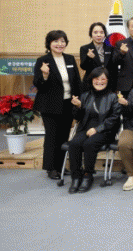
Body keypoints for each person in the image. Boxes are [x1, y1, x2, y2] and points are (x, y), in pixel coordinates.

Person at [33, 30, 82, 180]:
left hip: (68, 104)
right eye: (56, 41)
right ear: (49, 43)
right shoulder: (43, 60)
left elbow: (76, 81)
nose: (60, 44)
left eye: (62, 41)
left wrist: (78, 99)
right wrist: (45, 75)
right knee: (52, 137)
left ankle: (61, 166)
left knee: (63, 135)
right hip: (49, 105)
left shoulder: (70, 58)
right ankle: (51, 168)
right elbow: (38, 84)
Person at [68, 67, 121, 193]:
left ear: (108, 80)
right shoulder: (85, 96)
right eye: (96, 79)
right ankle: (76, 176)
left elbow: (114, 118)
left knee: (89, 144)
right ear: (91, 80)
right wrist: (78, 107)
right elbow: (77, 117)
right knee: (74, 143)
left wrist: (97, 129)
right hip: (85, 128)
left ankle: (88, 175)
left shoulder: (113, 97)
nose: (99, 82)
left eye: (103, 79)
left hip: (105, 131)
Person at [79, 22, 114, 92]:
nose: (99, 35)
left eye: (101, 32)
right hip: (91, 83)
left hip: (107, 83)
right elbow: (83, 67)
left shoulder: (110, 48)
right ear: (91, 34)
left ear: (105, 34)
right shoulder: (85, 48)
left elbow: (113, 67)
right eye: (95, 32)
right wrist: (88, 57)